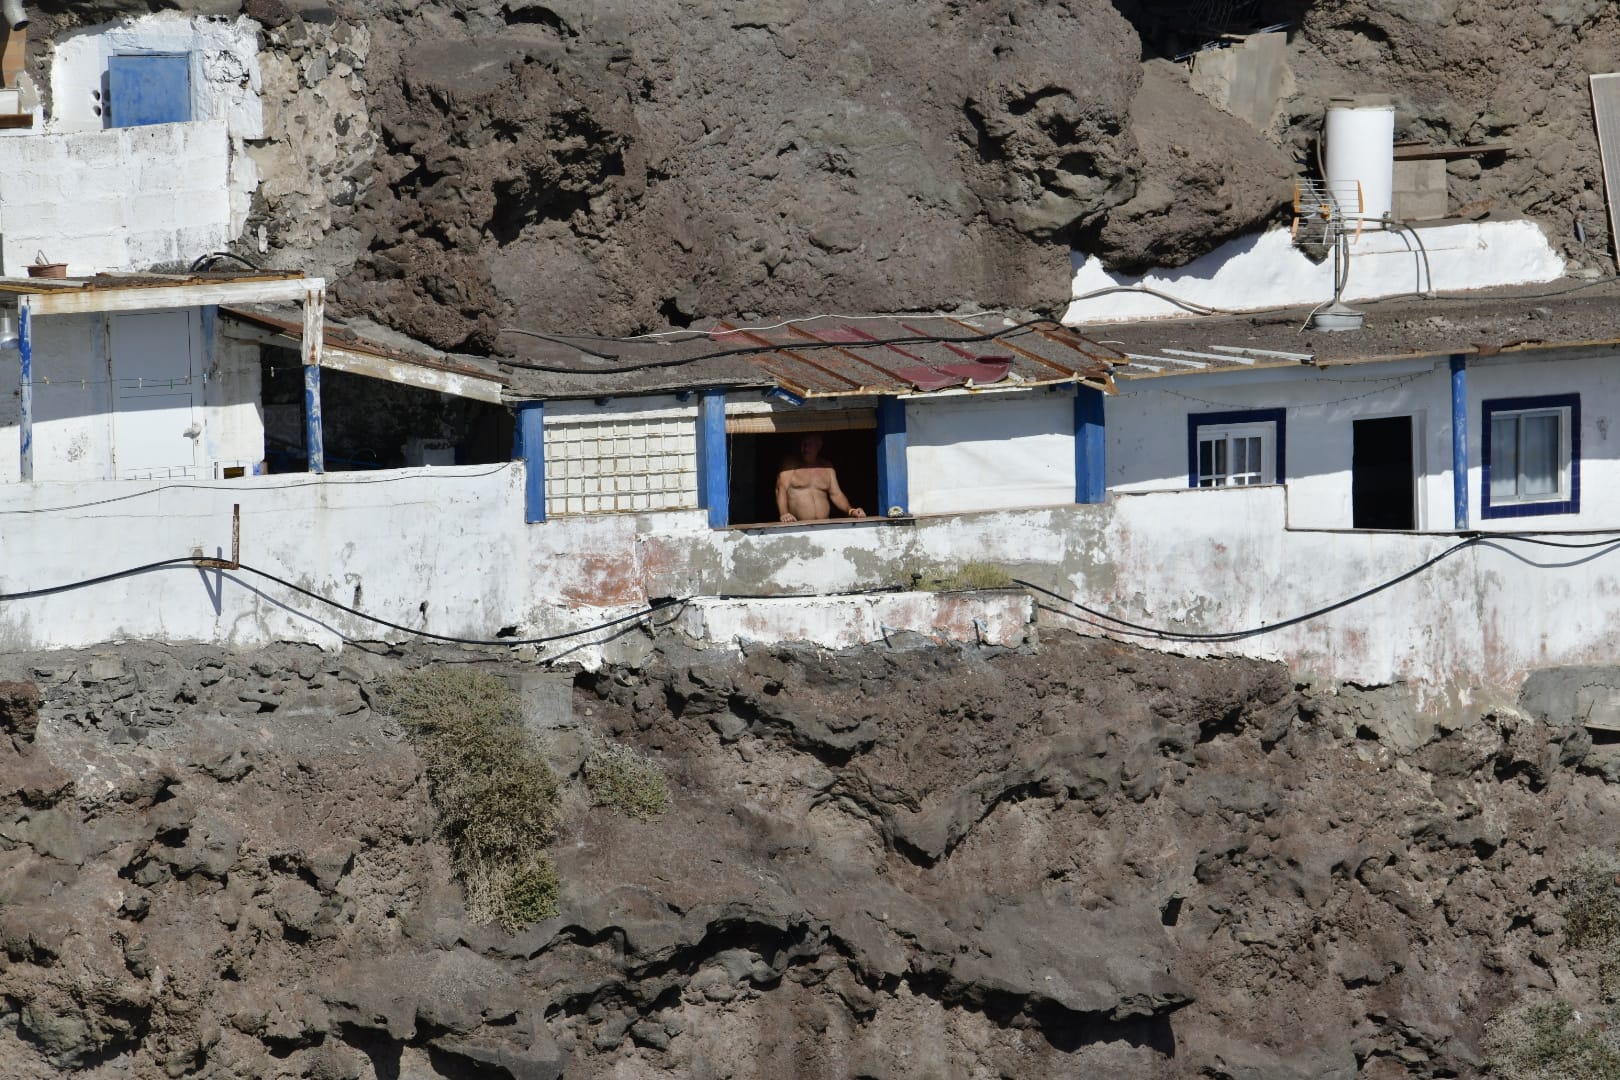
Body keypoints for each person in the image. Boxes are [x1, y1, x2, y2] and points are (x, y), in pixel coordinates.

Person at [776, 433, 866, 522]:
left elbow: (836, 494)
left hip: (824, 524)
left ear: (818, 445)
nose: (805, 447)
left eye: (809, 443)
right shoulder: (790, 465)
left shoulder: (827, 467)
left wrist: (851, 511)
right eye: (803, 443)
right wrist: (784, 513)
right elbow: (780, 489)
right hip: (799, 526)